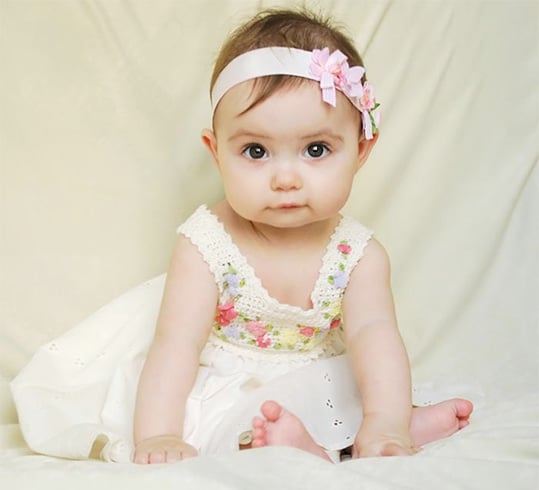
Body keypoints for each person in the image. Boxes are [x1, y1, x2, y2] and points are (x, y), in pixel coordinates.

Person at [132, 8, 473, 464]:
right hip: (229, 381)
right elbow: (176, 344)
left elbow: (376, 338)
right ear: (217, 152)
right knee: (234, 428)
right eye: (256, 151)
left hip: (320, 378)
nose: (286, 178)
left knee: (368, 394)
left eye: (316, 150)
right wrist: (156, 435)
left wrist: (384, 417)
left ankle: (391, 429)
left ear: (361, 150)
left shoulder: (359, 255)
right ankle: (303, 445)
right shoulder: (205, 244)